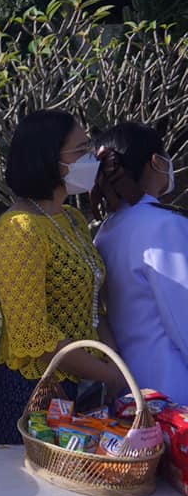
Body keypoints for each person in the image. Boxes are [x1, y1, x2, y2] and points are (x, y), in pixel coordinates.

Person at [0, 110, 125, 444]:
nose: (91, 158)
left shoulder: (72, 218)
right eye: (80, 150)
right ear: (48, 159)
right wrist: (109, 374)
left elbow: (93, 306)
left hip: (85, 381)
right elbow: (32, 336)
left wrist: (113, 364)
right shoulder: (20, 230)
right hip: (32, 392)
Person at [92, 122, 188, 405]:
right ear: (157, 161)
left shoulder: (106, 230)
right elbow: (182, 317)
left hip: (129, 385)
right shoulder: (165, 225)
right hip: (174, 385)